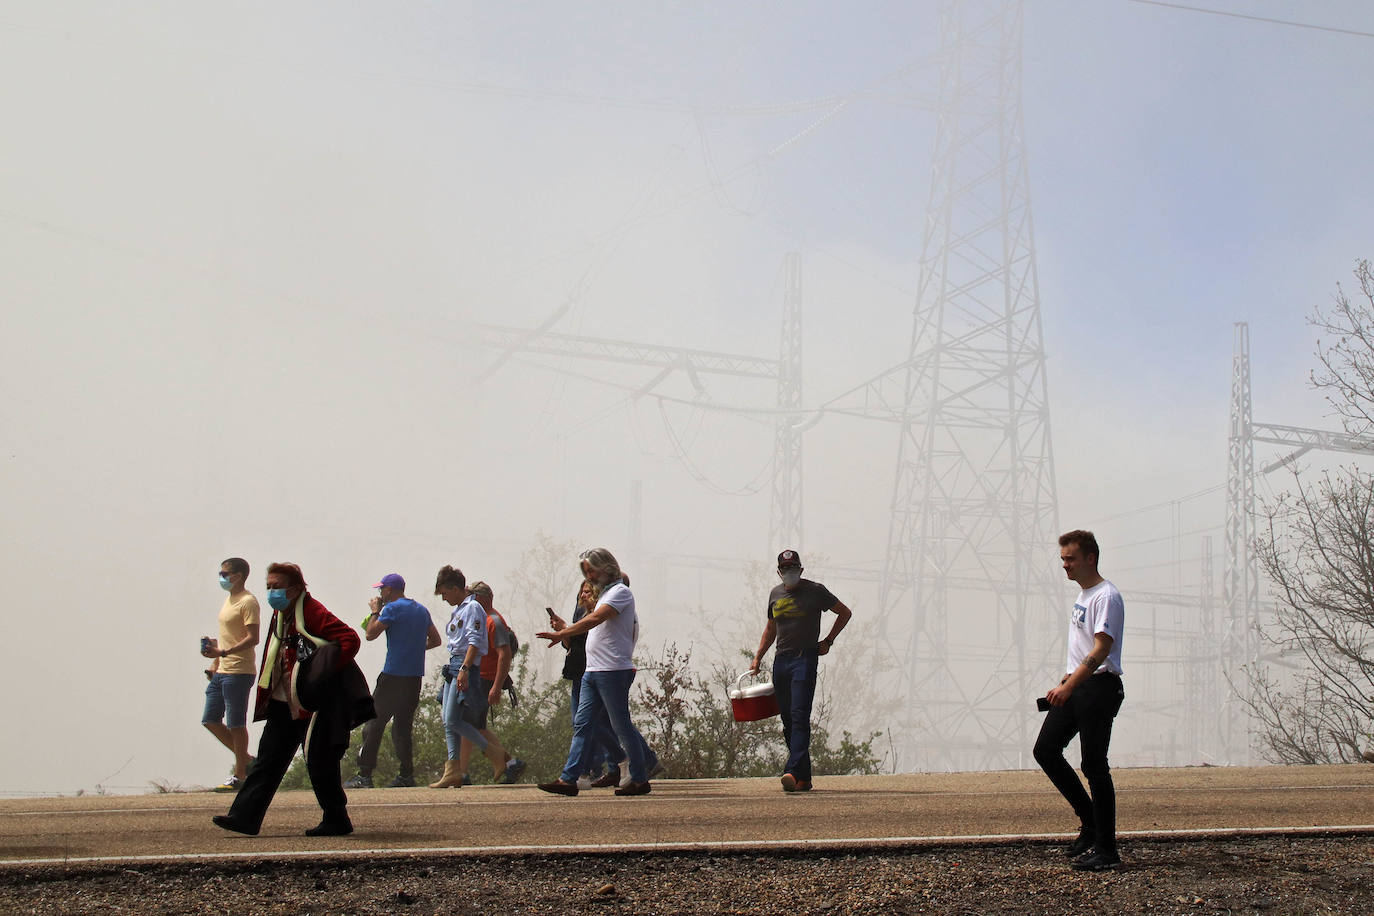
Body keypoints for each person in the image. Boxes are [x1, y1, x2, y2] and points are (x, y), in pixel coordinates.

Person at [212, 562, 369, 837]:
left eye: (278, 587)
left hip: (316, 701)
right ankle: (244, 817)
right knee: (268, 759)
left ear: (295, 589)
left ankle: (337, 819)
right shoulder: (281, 613)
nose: (272, 592)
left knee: (321, 760)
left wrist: (322, 671)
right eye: (269, 586)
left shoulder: (311, 610)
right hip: (285, 699)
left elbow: (349, 639)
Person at [1034, 529, 1127, 872]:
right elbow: (1084, 645)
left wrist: (1071, 684)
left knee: (1094, 766)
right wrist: (1067, 677)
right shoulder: (1084, 595)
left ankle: (1107, 850)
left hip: (1098, 688)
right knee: (1045, 750)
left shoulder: (1106, 596)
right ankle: (1090, 824)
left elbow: (1102, 649)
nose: (1065, 566)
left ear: (1090, 558)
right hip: (1077, 684)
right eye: (1062, 559)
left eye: (1070, 558)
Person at [536, 547, 653, 797]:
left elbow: (595, 620)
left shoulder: (621, 593)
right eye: (586, 572)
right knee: (583, 724)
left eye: (592, 570)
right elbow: (591, 622)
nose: (588, 576)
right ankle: (569, 779)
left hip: (612, 670)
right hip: (592, 669)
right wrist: (566, 632)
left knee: (620, 726)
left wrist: (563, 633)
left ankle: (641, 777)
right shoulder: (604, 594)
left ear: (607, 567)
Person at [748, 549, 853, 793]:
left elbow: (844, 613)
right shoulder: (775, 594)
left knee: (799, 715)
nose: (790, 573)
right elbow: (770, 629)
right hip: (781, 661)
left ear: (801, 570)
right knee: (787, 720)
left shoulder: (815, 591)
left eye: (793, 568)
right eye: (785, 569)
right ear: (779, 572)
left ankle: (792, 770)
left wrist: (828, 641)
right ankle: (803, 777)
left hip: (804, 659)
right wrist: (757, 658)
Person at [346, 573, 441, 789]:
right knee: (402, 727)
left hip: (392, 676)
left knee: (374, 723)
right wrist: (415, 649)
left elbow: (370, 634)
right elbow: (435, 640)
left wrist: (374, 612)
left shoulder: (391, 609)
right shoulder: (421, 609)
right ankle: (406, 775)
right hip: (413, 677)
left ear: (390, 590)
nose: (380, 593)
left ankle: (365, 775)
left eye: (382, 589)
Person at [430, 565, 518, 788]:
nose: (444, 598)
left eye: (445, 593)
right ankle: (453, 770)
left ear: (455, 588)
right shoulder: (459, 609)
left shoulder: (473, 609)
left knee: (452, 719)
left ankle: (495, 754)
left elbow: (474, 642)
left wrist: (465, 669)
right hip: (454, 664)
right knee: (448, 721)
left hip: (464, 665)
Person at [200, 557, 261, 792]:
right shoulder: (229, 600)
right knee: (210, 719)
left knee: (236, 723)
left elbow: (252, 638)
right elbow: (227, 635)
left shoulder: (248, 602)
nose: (221, 577)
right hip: (222, 670)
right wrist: (215, 660)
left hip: (239, 671)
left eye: (224, 574)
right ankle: (247, 760)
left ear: (238, 575)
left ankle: (240, 774)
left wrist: (224, 651)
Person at [457, 582, 526, 785]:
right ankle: (463, 772)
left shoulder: (493, 621)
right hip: (479, 679)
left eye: (471, 595)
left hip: (485, 680)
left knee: (467, 725)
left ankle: (508, 763)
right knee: (472, 726)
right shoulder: (481, 618)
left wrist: (496, 686)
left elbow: (504, 655)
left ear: (481, 598)